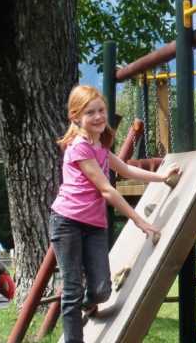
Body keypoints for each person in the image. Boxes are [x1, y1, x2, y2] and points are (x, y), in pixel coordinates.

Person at [49, 85, 179, 343]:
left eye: (101, 111)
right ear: (76, 117)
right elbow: (107, 190)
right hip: (68, 224)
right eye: (90, 113)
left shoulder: (100, 147)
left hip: (94, 225)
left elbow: (127, 171)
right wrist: (142, 222)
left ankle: (84, 304)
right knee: (72, 288)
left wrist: (161, 176)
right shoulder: (79, 148)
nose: (98, 117)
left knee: (101, 290)